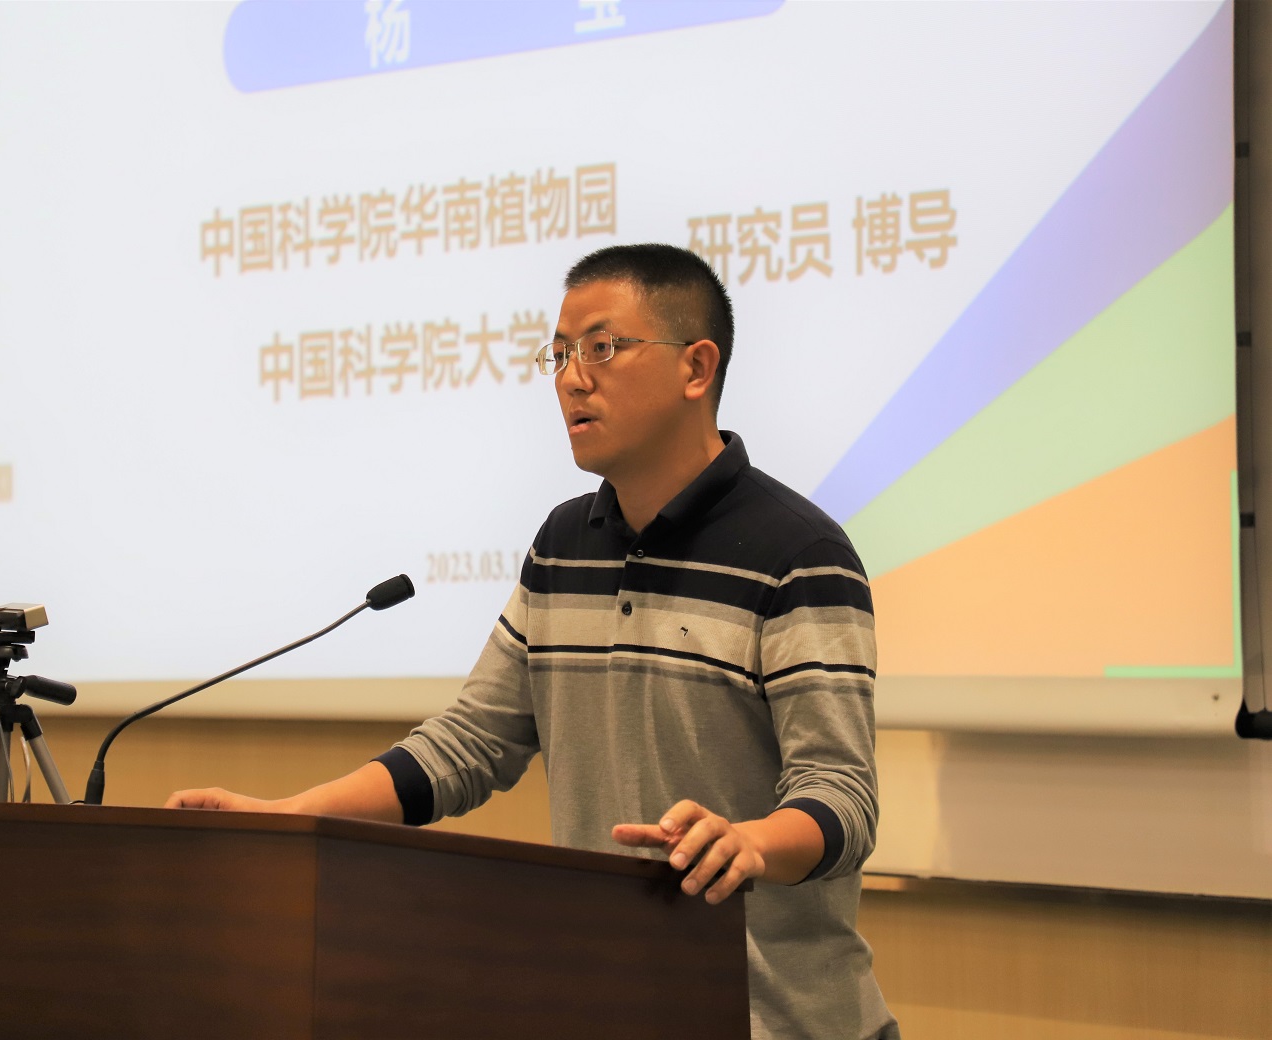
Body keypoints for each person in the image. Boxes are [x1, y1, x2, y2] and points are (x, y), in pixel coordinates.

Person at [169, 243, 899, 1040]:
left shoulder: (798, 554)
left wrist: (750, 842)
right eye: (559, 354)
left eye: (602, 347)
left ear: (697, 368)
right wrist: (290, 819)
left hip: (781, 1022)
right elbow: (471, 742)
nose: (571, 379)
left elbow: (842, 796)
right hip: (616, 1009)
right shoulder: (563, 546)